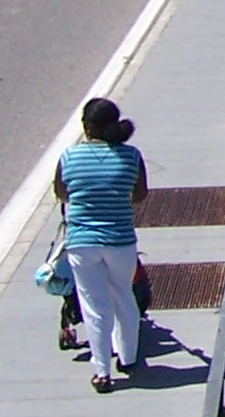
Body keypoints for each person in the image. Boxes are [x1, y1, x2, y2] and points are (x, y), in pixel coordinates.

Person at [55, 97, 149, 393]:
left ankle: (102, 371)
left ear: (87, 127)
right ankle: (129, 357)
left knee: (95, 305)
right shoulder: (132, 155)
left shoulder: (69, 158)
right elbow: (139, 195)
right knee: (124, 295)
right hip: (120, 241)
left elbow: (62, 194)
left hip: (82, 243)